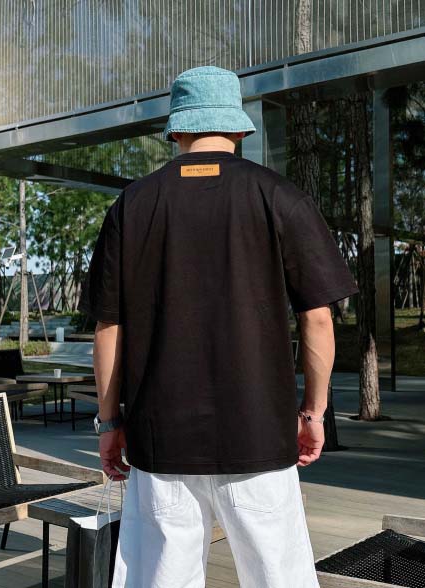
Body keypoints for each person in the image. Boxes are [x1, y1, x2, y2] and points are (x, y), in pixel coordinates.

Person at [77, 65, 359, 588]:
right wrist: (313, 412)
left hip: (161, 440)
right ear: (238, 127)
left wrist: (109, 422)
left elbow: (108, 328)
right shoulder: (280, 196)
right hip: (259, 433)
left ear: (176, 130)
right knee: (279, 580)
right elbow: (318, 317)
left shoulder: (133, 204)